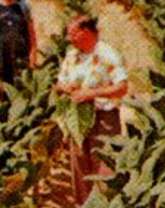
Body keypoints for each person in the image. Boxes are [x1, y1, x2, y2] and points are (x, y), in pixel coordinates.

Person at [54, 15, 129, 195]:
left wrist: (92, 93)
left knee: (105, 170)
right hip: (77, 119)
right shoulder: (72, 56)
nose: (69, 39)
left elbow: (122, 87)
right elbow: (59, 83)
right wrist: (66, 87)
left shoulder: (107, 54)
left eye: (73, 34)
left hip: (104, 120)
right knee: (80, 170)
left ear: (86, 32)